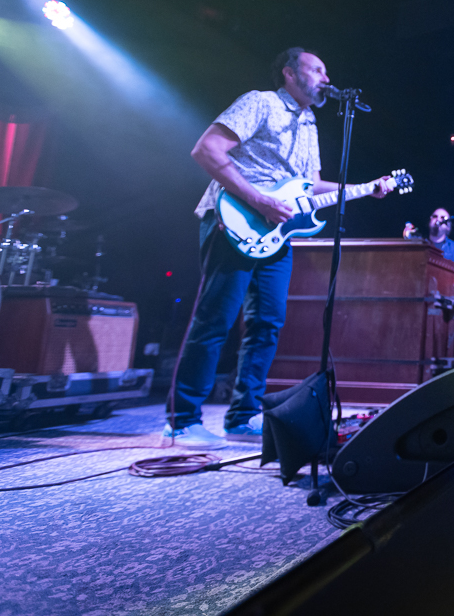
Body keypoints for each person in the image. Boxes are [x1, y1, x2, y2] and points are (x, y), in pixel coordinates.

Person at [166, 48, 394, 449]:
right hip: (234, 219)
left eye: (328, 70)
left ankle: (242, 416)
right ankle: (182, 421)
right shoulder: (261, 103)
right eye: (318, 69)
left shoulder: (309, 123)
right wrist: (259, 200)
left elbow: (311, 184)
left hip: (275, 234)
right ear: (290, 73)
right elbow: (206, 150)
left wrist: (364, 189)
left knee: (267, 323)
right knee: (215, 319)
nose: (327, 77)